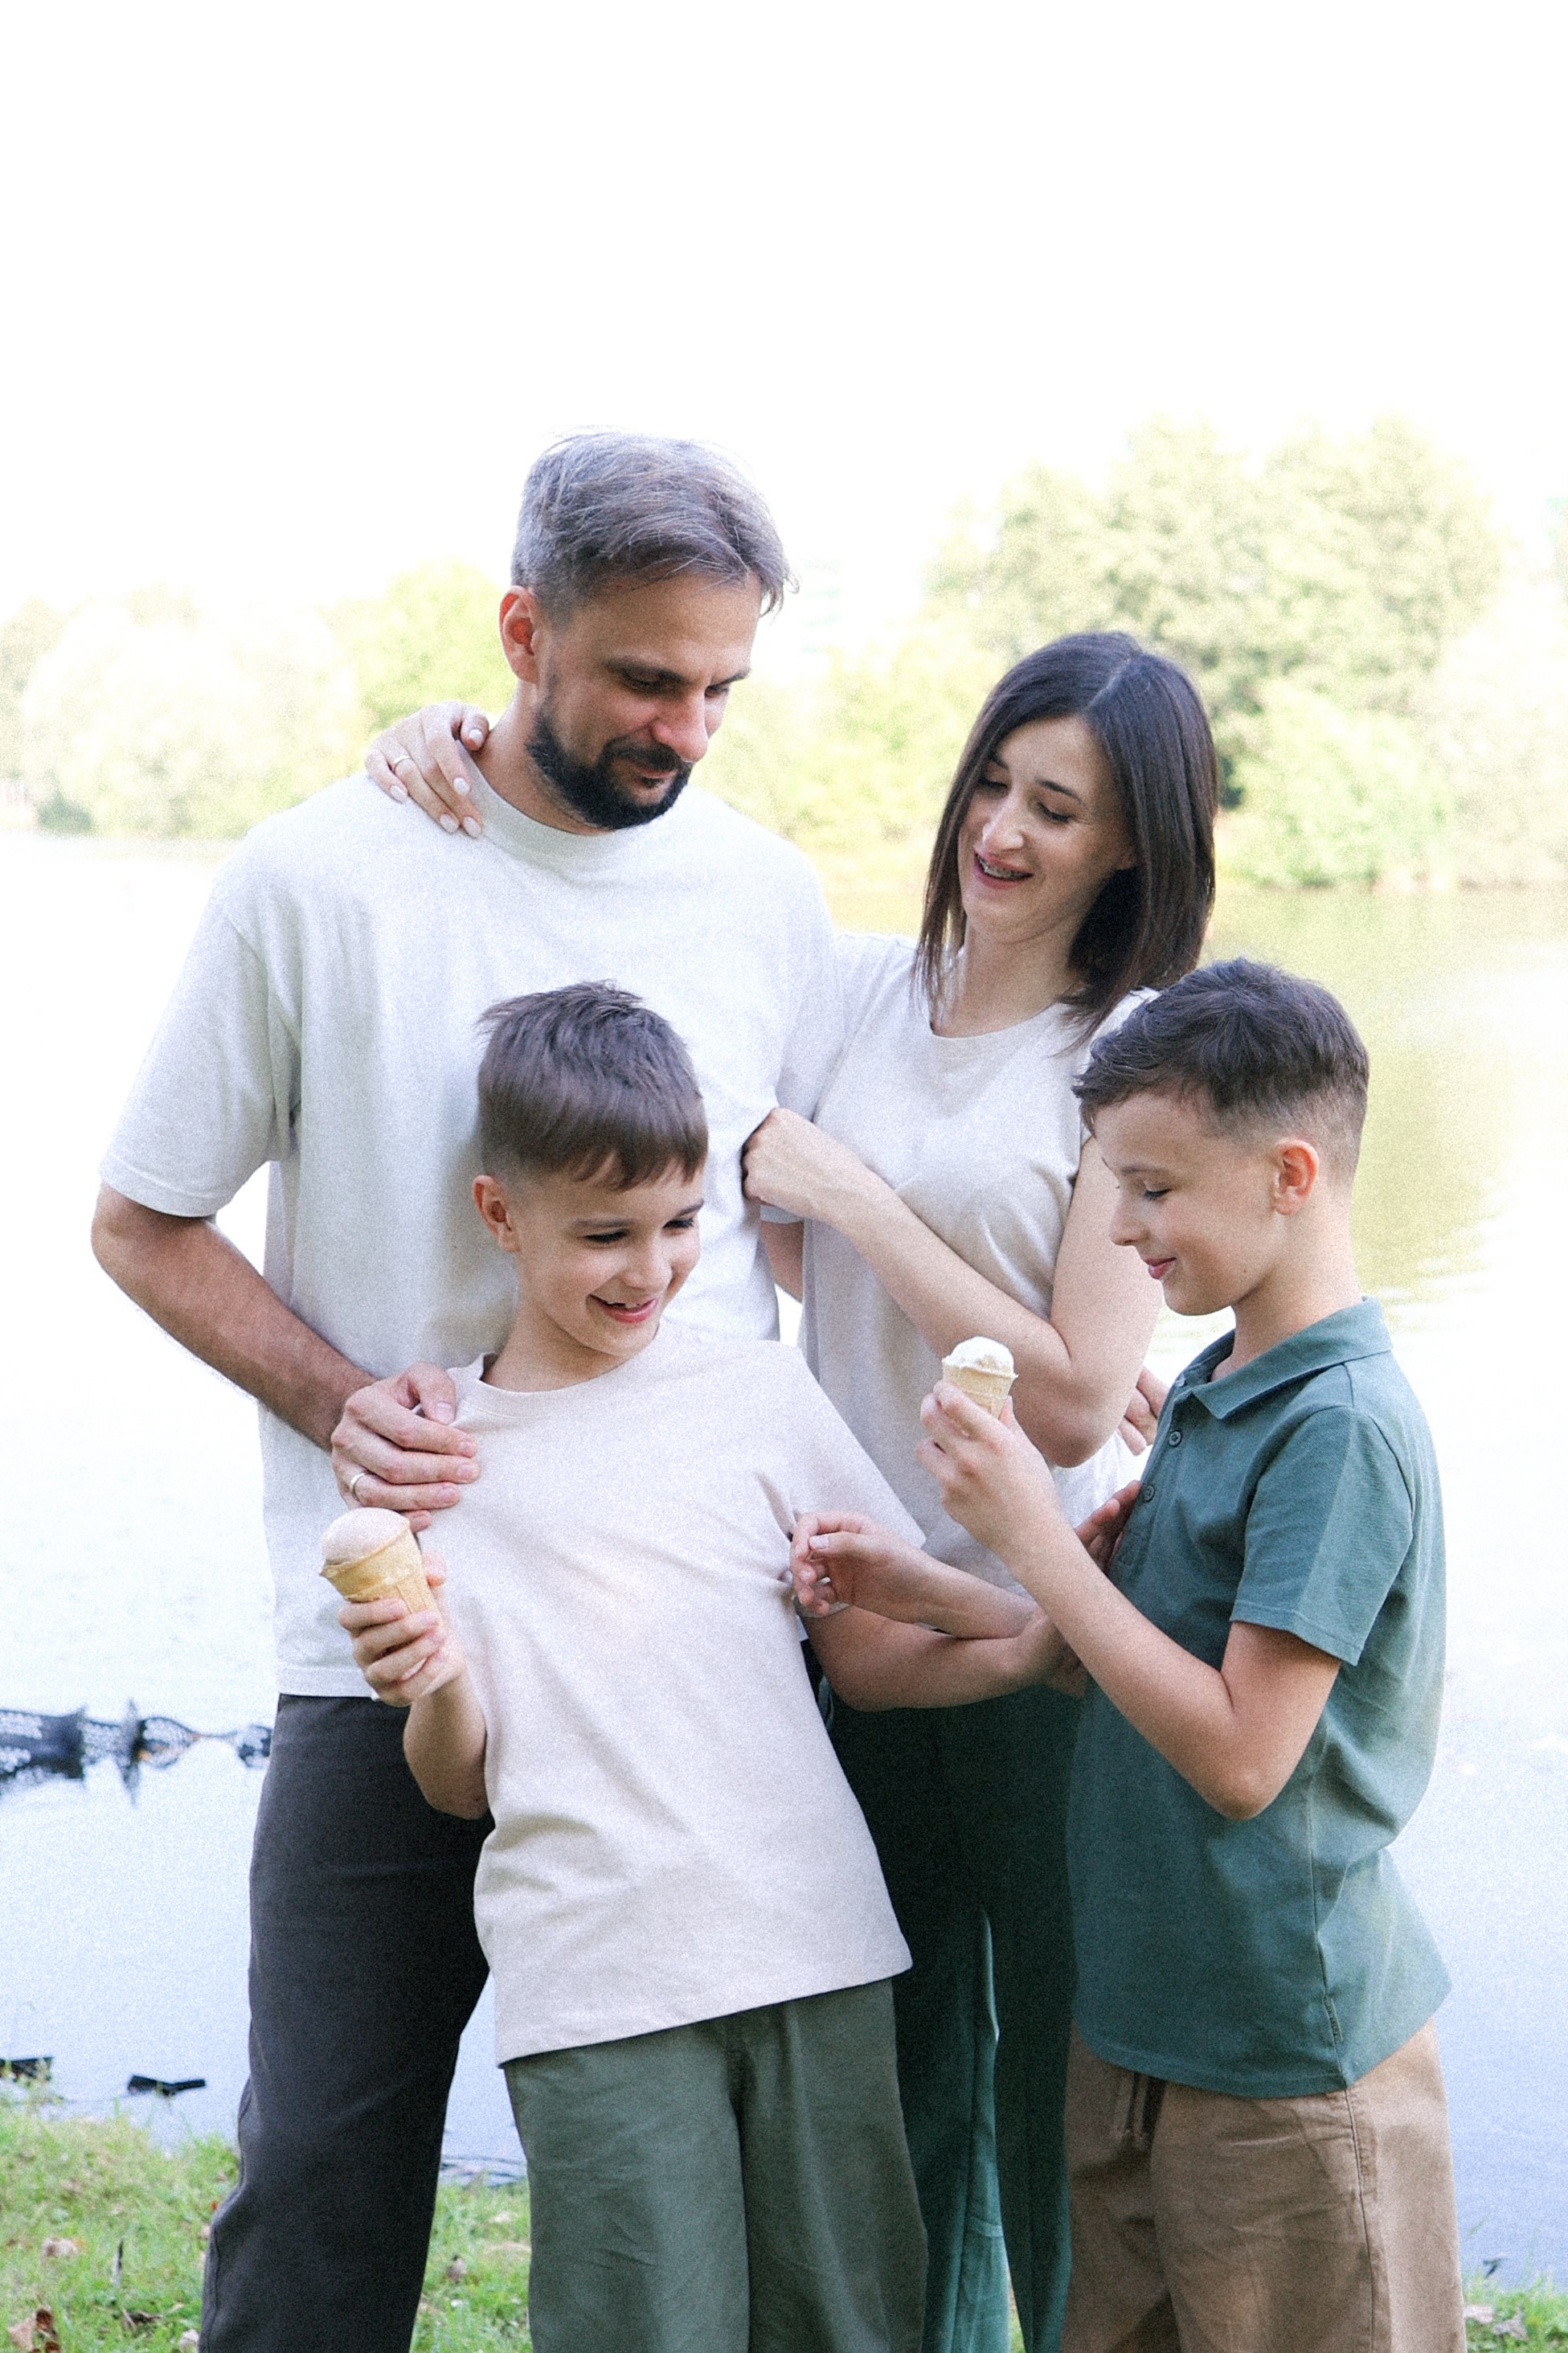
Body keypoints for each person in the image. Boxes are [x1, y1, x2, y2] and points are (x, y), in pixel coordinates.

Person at [90, 432, 854, 2353]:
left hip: (691, 1666)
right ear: (523, 633)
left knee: (729, 2207)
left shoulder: (765, 898)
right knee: (330, 2168)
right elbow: (143, 1223)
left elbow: (824, 1208)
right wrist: (343, 1396)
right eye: (641, 678)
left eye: (719, 688)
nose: (684, 726)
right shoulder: (318, 877)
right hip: (391, 1648)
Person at [374, 631, 1217, 2353]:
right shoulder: (849, 991)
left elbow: (1064, 1400)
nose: (1003, 829)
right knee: (895, 2087)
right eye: (992, 781)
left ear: (1132, 843)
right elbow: (617, 1010)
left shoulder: (1130, 1050)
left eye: (1058, 808)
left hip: (1047, 1589)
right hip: (844, 1599)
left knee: (1053, 2081)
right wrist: (465, 749)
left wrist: (858, 1196)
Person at [336, 982, 1046, 2353]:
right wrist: (428, 1673)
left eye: (677, 1227)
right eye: (603, 1235)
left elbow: (877, 1658)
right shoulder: (434, 1462)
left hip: (817, 1952)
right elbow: (460, 1784)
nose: (647, 1270)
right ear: (500, 1215)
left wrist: (1041, 1642)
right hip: (597, 1990)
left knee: (853, 2326)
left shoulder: (760, 1396)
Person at [794, 960, 1465, 2353]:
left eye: (1154, 1190)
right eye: (1113, 1185)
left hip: (1285, 2062)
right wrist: (921, 1583)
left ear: (1291, 1173)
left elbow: (1238, 1755)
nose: (1124, 1230)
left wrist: (1028, 1534)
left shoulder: (1338, 1429)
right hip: (1140, 2028)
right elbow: (1104, 1657)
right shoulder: (1218, 1385)